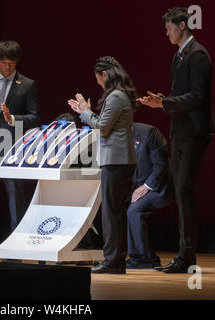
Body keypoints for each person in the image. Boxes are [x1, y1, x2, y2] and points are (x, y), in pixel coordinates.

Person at [137, 7, 215, 273]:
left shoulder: (198, 54)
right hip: (181, 132)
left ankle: (187, 255)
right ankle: (185, 254)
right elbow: (181, 94)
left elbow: (198, 96)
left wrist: (164, 103)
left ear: (183, 25)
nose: (167, 32)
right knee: (182, 192)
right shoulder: (179, 55)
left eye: (170, 27)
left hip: (195, 132)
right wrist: (162, 100)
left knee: (184, 190)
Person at [0, 40, 41, 262]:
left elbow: (34, 117)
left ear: (17, 62)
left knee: (15, 201)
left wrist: (13, 119)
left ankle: (16, 248)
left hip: (14, 150)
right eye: (3, 63)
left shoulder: (27, 84)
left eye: (11, 63)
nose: (8, 67)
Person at [68, 56, 137, 274]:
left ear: (104, 75)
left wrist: (85, 112)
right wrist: (88, 113)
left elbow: (103, 128)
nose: (97, 82)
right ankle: (116, 260)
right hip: (120, 161)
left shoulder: (115, 96)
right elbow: (105, 124)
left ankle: (112, 260)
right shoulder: (120, 94)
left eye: (98, 78)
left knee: (111, 213)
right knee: (115, 212)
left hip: (116, 161)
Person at [126, 122, 174, 269]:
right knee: (119, 208)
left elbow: (161, 165)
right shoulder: (115, 135)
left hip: (160, 185)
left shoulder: (149, 132)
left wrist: (145, 187)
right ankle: (141, 256)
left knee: (134, 210)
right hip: (137, 186)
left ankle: (144, 258)